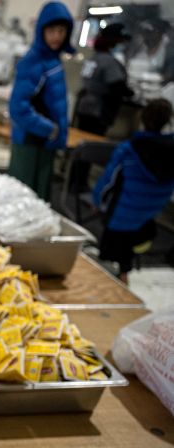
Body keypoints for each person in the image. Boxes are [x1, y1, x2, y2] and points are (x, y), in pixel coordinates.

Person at [94, 99, 174, 282]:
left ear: (142, 118)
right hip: (149, 214)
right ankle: (124, 271)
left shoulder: (129, 150)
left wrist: (97, 202)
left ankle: (116, 283)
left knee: (111, 251)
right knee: (129, 239)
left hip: (122, 217)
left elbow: (107, 182)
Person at [7, 1, 73, 200]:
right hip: (30, 141)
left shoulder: (54, 61)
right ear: (41, 30)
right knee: (21, 200)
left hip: (46, 143)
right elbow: (17, 108)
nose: (57, 36)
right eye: (52, 30)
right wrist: (48, 128)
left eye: (61, 31)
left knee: (40, 198)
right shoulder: (33, 61)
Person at [75, 23, 133, 136]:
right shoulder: (109, 62)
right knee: (93, 143)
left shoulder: (94, 58)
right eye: (120, 41)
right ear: (114, 42)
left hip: (84, 107)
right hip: (98, 111)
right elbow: (116, 85)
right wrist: (130, 93)